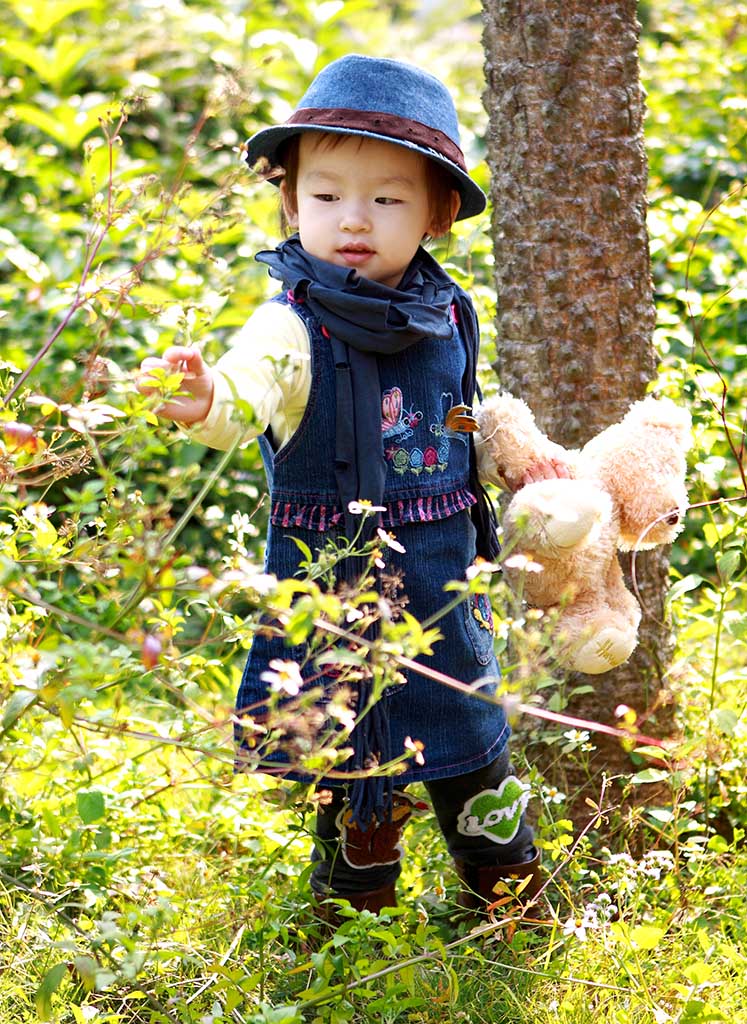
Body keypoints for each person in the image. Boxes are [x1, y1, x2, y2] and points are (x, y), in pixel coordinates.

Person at [139, 54, 568, 918]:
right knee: (346, 755)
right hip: (332, 586)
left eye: (387, 198)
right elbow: (243, 401)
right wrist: (202, 398)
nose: (354, 220)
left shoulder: (444, 312)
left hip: (443, 580)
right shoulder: (285, 324)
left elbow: (452, 422)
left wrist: (511, 461)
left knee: (468, 736)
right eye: (326, 196)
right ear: (293, 203)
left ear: (437, 213)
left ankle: (509, 896)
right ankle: (351, 909)